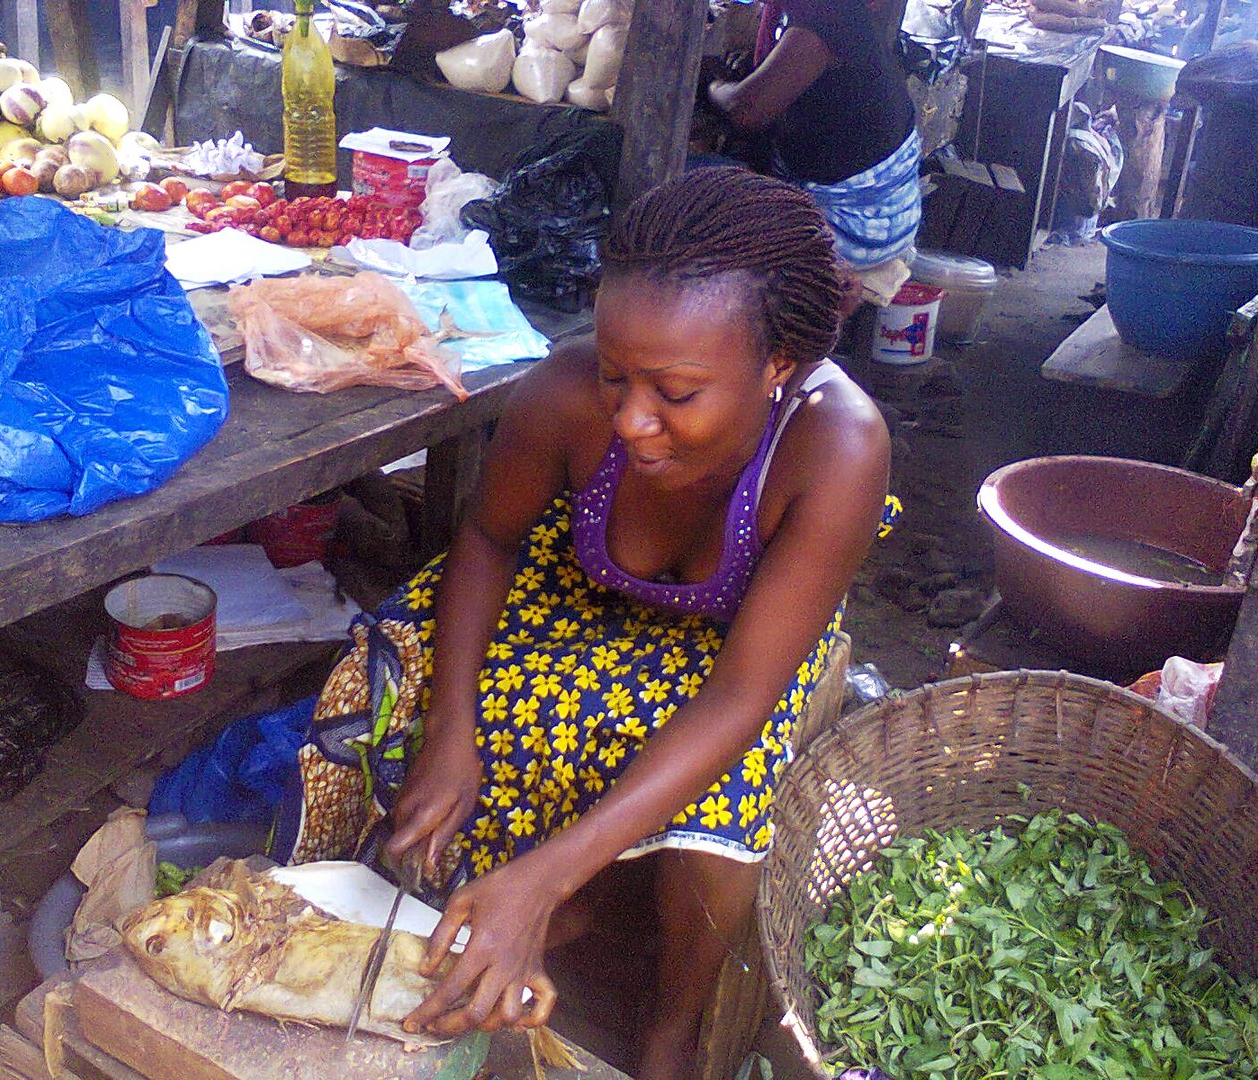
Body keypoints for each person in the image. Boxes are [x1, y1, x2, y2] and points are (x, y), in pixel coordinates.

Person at [274, 167, 899, 1080]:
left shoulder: (836, 447)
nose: (635, 421)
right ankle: (392, 916)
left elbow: (738, 698)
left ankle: (669, 1022)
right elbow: (486, 538)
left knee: (731, 790)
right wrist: (452, 733)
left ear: (778, 364)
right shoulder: (566, 397)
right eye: (616, 376)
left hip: (738, 645)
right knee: (396, 680)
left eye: (677, 394)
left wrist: (545, 875)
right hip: (570, 589)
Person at [706, 0, 922, 271]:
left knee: (686, 189)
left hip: (856, 229)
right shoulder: (838, 16)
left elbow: (746, 110)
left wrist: (713, 85)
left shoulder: (827, 20)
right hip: (891, 216)